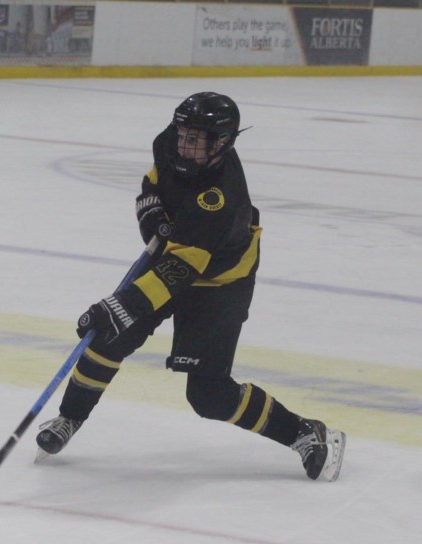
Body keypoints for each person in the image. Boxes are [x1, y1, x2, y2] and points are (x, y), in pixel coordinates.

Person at [36, 92, 346, 481]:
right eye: (183, 133)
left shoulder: (220, 198)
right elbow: (151, 184)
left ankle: (305, 432)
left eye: (195, 139)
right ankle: (69, 417)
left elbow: (181, 270)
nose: (184, 144)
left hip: (220, 280)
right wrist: (153, 218)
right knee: (109, 337)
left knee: (208, 395)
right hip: (181, 254)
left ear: (222, 143)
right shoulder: (170, 143)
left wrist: (124, 305)